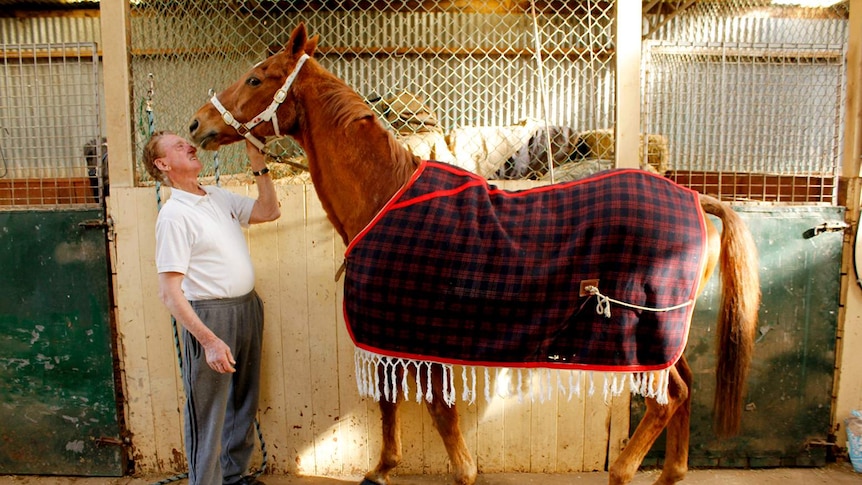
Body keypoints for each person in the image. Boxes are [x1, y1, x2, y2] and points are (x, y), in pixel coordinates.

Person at [142, 131, 280, 485]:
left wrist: (258, 165)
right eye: (177, 146)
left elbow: (269, 211)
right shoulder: (174, 216)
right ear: (163, 164)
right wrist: (209, 341)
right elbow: (170, 293)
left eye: (186, 143)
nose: (189, 146)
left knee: (243, 403)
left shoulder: (217, 196)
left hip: (247, 308)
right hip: (210, 316)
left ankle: (233, 477)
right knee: (210, 412)